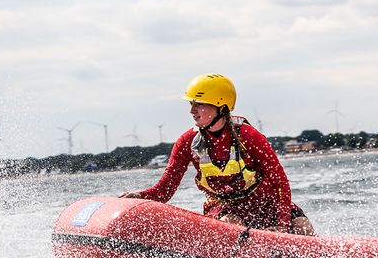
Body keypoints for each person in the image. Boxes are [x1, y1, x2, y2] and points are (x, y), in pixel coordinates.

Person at [121, 73, 314, 235]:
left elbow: (279, 181)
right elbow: (166, 189)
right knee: (232, 224)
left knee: (303, 228)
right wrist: (139, 196)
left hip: (265, 204)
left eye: (199, 104)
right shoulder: (187, 142)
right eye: (191, 104)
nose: (192, 111)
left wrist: (282, 224)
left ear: (221, 107)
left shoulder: (249, 136)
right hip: (224, 208)